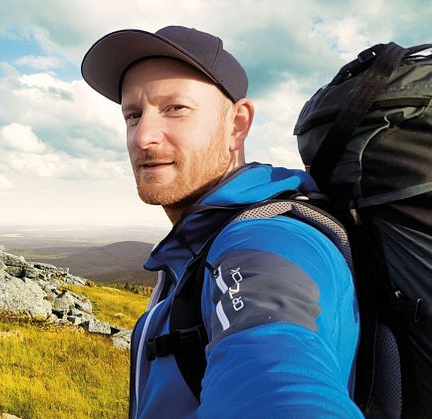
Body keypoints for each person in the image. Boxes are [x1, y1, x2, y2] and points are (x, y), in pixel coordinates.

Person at [81, 26, 362, 418]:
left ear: (237, 124)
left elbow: (277, 382)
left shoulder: (266, 241)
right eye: (133, 114)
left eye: (175, 108)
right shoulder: (204, 238)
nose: (142, 136)